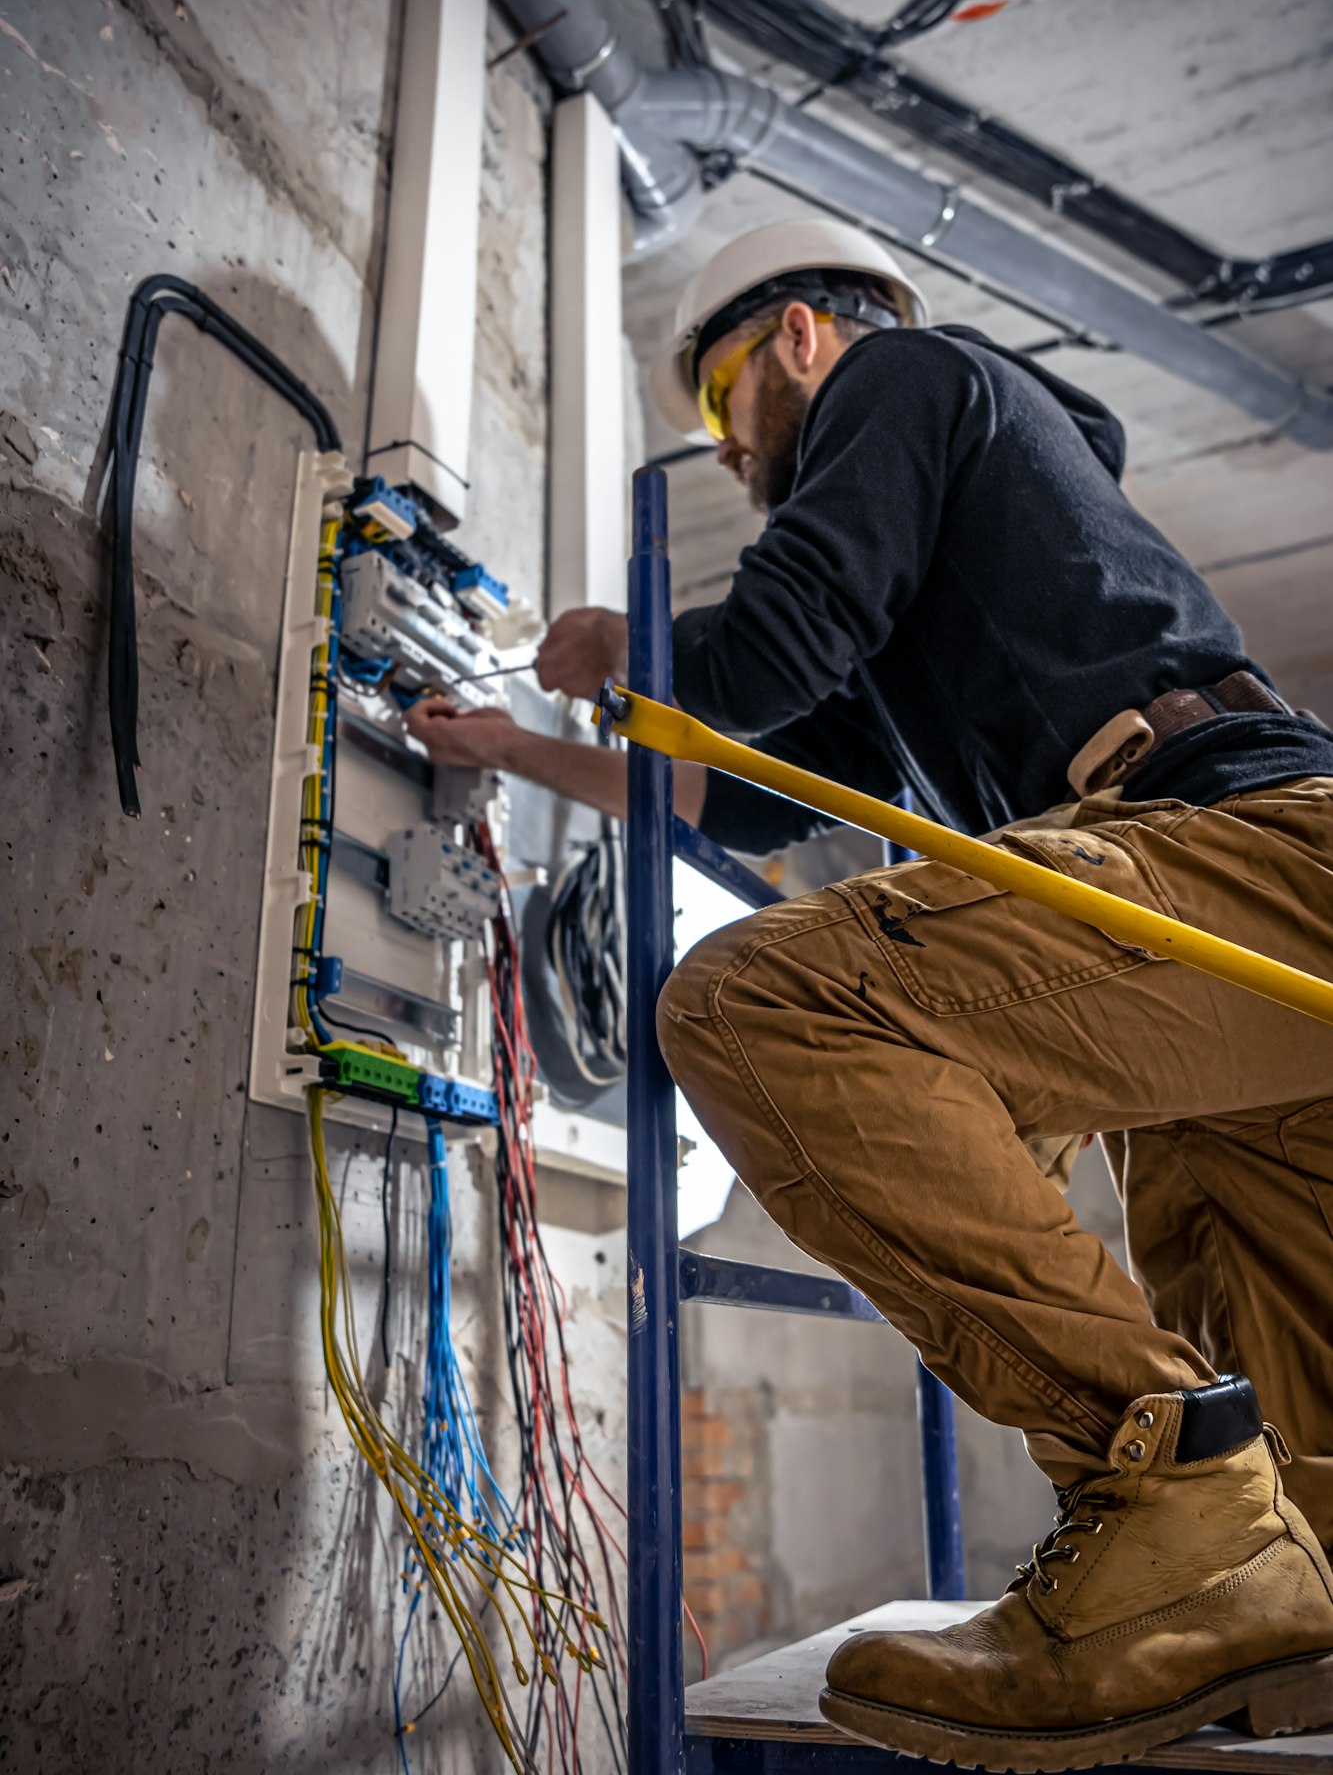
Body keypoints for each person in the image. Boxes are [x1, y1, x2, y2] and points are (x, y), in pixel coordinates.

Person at [407, 217, 1333, 1765]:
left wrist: (620, 644)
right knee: (1300, 1409)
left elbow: (763, 651)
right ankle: (1264, 1611)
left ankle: (1170, 1496)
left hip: (1229, 840)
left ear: (798, 339)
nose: (728, 452)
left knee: (764, 1007)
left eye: (721, 406)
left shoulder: (904, 376)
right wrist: (509, 750)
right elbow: (747, 799)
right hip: (1251, 924)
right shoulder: (932, 607)